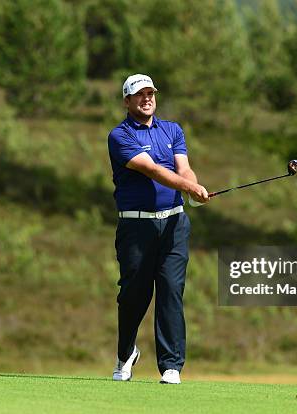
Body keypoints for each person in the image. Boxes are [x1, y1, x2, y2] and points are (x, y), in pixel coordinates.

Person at [107, 74, 209, 384]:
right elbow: (152, 170)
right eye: (139, 95)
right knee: (133, 296)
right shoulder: (120, 136)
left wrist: (191, 183)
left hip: (175, 223)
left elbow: (183, 167)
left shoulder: (172, 130)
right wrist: (190, 188)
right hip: (136, 227)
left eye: (150, 93)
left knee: (170, 291)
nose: (146, 98)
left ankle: (171, 366)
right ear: (127, 101)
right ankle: (126, 354)